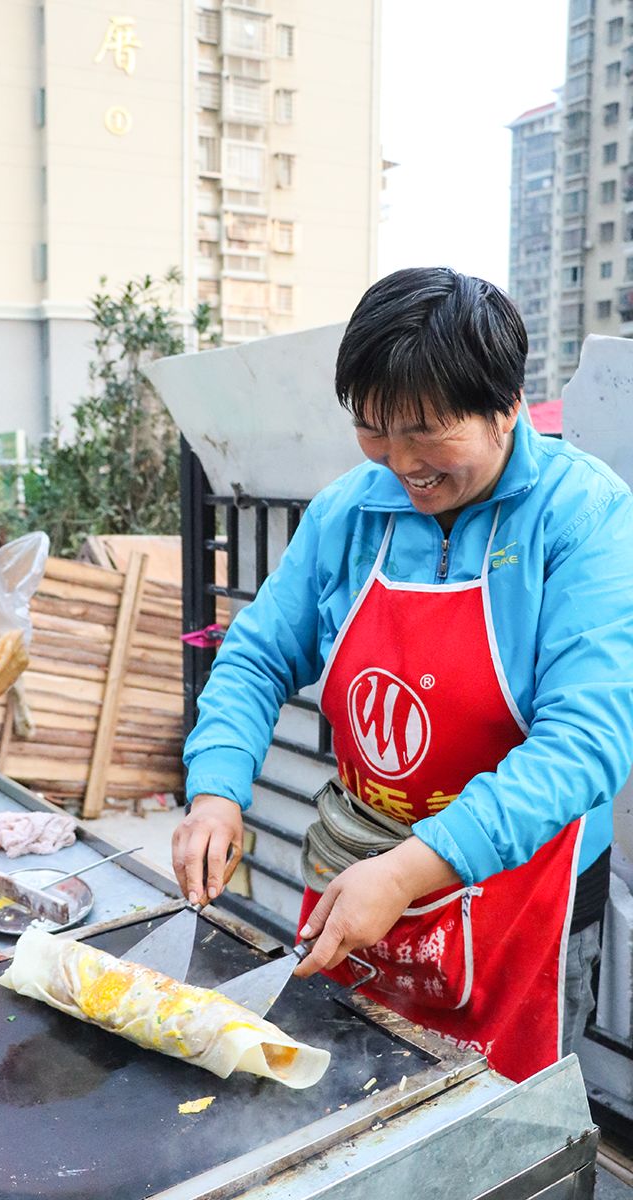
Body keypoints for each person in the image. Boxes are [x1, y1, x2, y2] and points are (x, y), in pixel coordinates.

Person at [172, 267, 633, 1083]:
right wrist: (215, 788)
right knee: (345, 1097)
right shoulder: (350, 511)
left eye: (426, 431)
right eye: (376, 429)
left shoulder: (583, 516)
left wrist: (412, 869)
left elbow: (586, 742)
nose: (401, 462)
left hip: (520, 895)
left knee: (504, 1135)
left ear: (506, 406)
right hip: (359, 874)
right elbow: (257, 655)